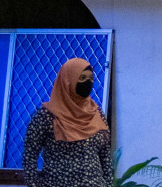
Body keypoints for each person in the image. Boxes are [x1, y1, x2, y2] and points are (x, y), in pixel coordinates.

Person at [22, 59, 113, 187]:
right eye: (82, 78)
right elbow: (29, 156)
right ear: (68, 80)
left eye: (91, 78)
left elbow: (105, 157)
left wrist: (108, 184)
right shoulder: (47, 116)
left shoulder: (96, 114)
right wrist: (33, 184)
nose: (88, 82)